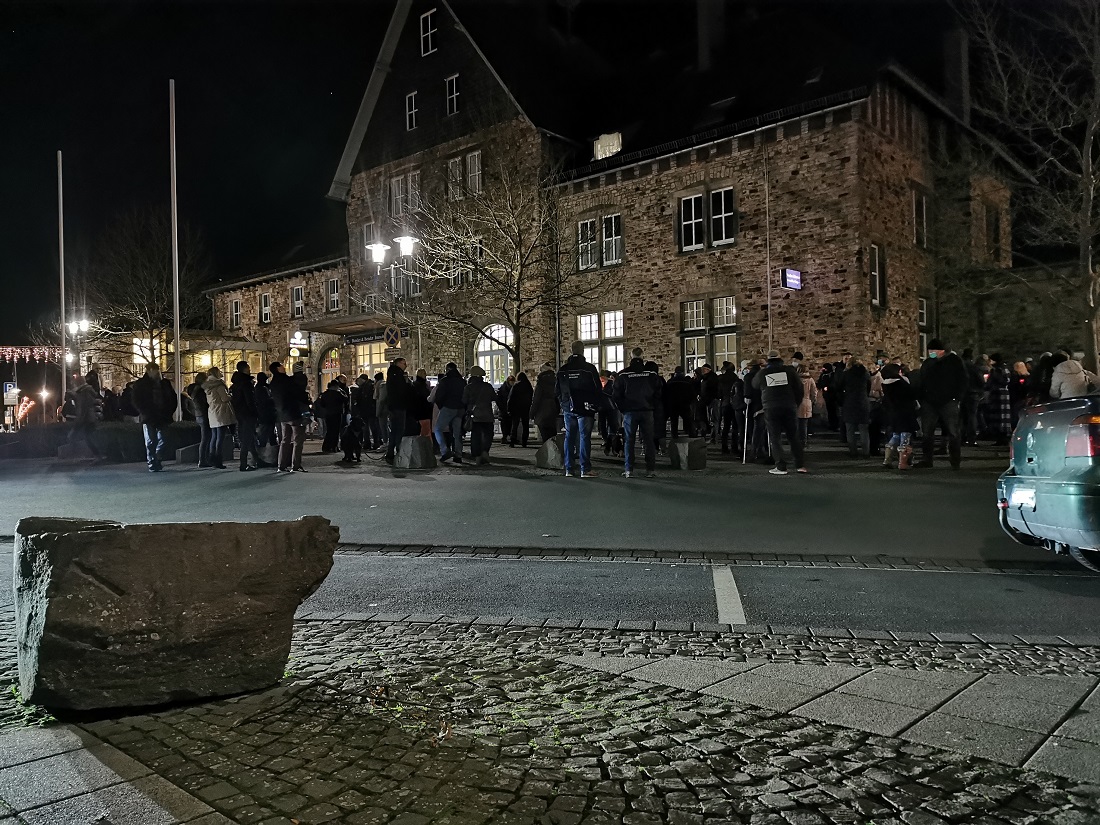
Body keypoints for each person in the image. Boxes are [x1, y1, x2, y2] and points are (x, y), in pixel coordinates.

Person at [917, 338, 969, 469]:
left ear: (941, 351)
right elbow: (922, 380)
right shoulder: (929, 363)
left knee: (953, 432)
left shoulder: (954, 362)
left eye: (933, 350)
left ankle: (955, 460)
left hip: (948, 401)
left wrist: (957, 398)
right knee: (927, 432)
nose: (930, 353)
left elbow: (963, 380)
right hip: (930, 401)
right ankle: (927, 459)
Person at [753, 350, 806, 475]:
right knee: (793, 436)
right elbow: (799, 388)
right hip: (789, 406)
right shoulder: (789, 371)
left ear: (768, 360)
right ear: (779, 358)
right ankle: (800, 465)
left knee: (775, 437)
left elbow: (754, 384)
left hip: (771, 407)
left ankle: (781, 466)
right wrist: (795, 403)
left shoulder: (763, 373)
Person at [556, 340, 603, 477]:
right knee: (584, 437)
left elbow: (557, 390)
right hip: (585, 408)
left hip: (568, 408)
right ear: (583, 350)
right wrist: (595, 405)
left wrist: (563, 404)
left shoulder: (563, 369)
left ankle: (569, 469)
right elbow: (597, 389)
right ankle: (585, 469)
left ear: (571, 350)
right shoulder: (589, 369)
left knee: (569, 437)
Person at [612, 348, 660, 478]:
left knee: (629, 440)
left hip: (630, 412)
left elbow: (616, 395)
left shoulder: (623, 374)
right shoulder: (651, 373)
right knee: (648, 440)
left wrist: (623, 408)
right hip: (647, 410)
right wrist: (652, 405)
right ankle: (650, 470)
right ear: (642, 356)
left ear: (630, 356)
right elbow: (658, 393)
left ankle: (629, 470)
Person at [131, 362, 177, 472]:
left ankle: (157, 457)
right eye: (155, 370)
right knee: (151, 441)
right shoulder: (141, 384)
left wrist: (169, 411)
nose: (158, 372)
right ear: (149, 370)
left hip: (163, 415)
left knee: (164, 439)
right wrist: (144, 412)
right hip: (149, 416)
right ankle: (152, 462)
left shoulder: (164, 383)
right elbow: (136, 400)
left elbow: (172, 398)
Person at [270, 361, 309, 473]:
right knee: (298, 440)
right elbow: (298, 393)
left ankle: (281, 465)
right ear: (278, 368)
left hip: (282, 415)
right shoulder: (287, 381)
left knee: (285, 440)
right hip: (293, 413)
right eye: (281, 365)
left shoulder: (274, 382)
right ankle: (296, 465)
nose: (284, 366)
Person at [880, 362, 919, 470]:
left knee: (895, 435)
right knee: (905, 437)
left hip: (893, 413)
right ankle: (903, 462)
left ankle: (887, 459)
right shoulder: (900, 383)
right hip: (905, 412)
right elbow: (911, 394)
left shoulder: (886, 384)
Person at [231, 361, 264, 471]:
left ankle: (257, 460)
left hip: (239, 413)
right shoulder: (246, 383)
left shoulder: (235, 384)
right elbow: (250, 400)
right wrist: (255, 413)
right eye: (248, 367)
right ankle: (243, 464)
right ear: (245, 368)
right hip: (247, 414)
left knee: (248, 438)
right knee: (247, 438)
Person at [836, 357, 871, 458]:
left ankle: (853, 451)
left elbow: (839, 387)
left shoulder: (846, 374)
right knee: (864, 429)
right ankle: (866, 452)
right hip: (863, 402)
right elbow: (868, 387)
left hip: (850, 402)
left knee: (850, 429)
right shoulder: (866, 374)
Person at [203, 367, 236, 469]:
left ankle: (212, 458)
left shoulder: (207, 386)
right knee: (220, 438)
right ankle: (218, 460)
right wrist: (231, 396)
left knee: (214, 437)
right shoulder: (219, 385)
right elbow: (224, 398)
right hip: (221, 412)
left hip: (212, 412)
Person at [433, 362, 467, 462]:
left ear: (447, 369)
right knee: (457, 432)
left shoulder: (445, 381)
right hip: (460, 408)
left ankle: (444, 450)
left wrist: (441, 406)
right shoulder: (462, 381)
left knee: (438, 429)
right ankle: (458, 454)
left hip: (448, 407)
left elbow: (439, 396)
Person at [463, 365, 496, 464]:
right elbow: (494, 397)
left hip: (475, 415)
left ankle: (477, 455)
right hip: (487, 414)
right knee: (488, 434)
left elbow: (464, 400)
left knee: (476, 436)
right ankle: (485, 450)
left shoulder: (468, 387)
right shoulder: (488, 386)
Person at [67, 373, 103, 459]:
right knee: (87, 436)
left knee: (85, 436)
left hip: (86, 417)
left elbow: (83, 407)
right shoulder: (84, 391)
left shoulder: (83, 392)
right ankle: (95, 454)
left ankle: (96, 454)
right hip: (88, 417)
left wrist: (78, 421)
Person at [384, 357, 410, 465]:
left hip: (393, 407)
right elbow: (402, 391)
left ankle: (390, 453)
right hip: (399, 407)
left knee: (394, 431)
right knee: (399, 430)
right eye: (404, 363)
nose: (406, 365)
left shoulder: (392, 375)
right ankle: (398, 452)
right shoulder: (398, 376)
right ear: (398, 363)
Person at [185, 372, 211, 467]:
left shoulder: (194, 390)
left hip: (199, 415)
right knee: (205, 439)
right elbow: (204, 403)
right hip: (204, 415)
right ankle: (203, 460)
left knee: (205, 438)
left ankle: (203, 459)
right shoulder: (200, 391)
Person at [529, 363, 560, 442]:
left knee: (545, 436)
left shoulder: (541, 382)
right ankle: (554, 452)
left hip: (542, 411)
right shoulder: (555, 380)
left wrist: (532, 413)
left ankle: (548, 452)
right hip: (552, 410)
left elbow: (536, 399)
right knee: (552, 435)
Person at [664, 366, 696, 438]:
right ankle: (692, 435)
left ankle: (674, 437)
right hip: (684, 404)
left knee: (674, 421)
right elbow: (692, 394)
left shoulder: (670, 382)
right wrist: (689, 401)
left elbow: (666, 394)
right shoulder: (687, 382)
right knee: (688, 420)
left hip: (673, 404)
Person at [318, 379, 348, 453]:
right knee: (336, 431)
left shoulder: (325, 394)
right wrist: (342, 391)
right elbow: (346, 399)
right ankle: (334, 446)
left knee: (329, 430)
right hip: (337, 413)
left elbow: (322, 404)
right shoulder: (338, 393)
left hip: (328, 413)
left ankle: (326, 446)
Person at [508, 371, 534, 447]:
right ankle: (524, 441)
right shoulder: (528, 386)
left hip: (516, 408)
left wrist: (509, 408)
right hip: (526, 408)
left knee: (515, 424)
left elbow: (511, 398)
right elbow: (531, 397)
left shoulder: (516, 386)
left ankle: (512, 441)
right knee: (525, 425)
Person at [795, 363, 818, 449]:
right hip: (807, 402)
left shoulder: (795, 379)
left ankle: (796, 440)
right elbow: (814, 392)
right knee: (804, 424)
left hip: (796, 403)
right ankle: (803, 441)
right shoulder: (810, 380)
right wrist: (813, 401)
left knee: (796, 423)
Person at [255, 371, 278, 451]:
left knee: (269, 434)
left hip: (266, 414)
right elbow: (265, 401)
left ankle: (270, 452)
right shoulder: (261, 388)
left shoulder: (261, 388)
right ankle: (265, 453)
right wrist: (273, 400)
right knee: (265, 434)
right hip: (266, 414)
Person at [698, 364, 720, 442]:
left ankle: (713, 437)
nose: (702, 371)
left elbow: (711, 390)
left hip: (712, 400)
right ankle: (710, 436)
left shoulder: (712, 378)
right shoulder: (704, 378)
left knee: (713, 419)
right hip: (706, 401)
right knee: (708, 419)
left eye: (704, 369)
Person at [412, 369, 433, 437]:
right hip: (424, 410)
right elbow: (425, 396)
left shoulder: (415, 384)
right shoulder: (423, 385)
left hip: (420, 410)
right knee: (425, 429)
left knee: (423, 429)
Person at [496, 374, 516, 445]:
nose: (512, 383)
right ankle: (505, 437)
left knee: (510, 423)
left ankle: (509, 437)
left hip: (510, 409)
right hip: (503, 409)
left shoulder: (513, 388)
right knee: (504, 424)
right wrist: (502, 408)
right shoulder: (503, 389)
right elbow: (499, 399)